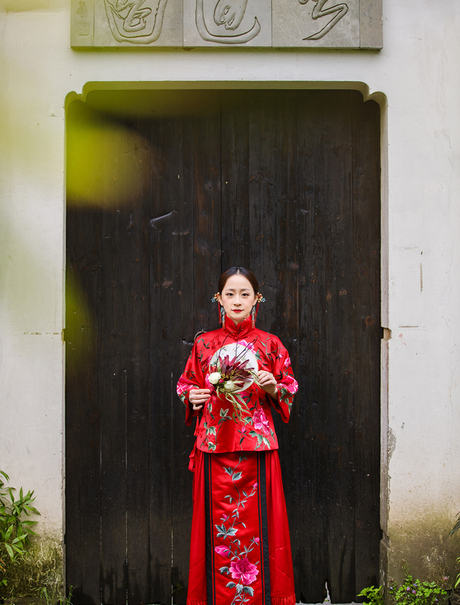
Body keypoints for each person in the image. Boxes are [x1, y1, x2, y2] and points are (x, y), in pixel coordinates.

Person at [177, 267, 298, 605]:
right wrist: (192, 396)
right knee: (213, 529)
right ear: (219, 299)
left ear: (257, 299)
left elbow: (289, 386)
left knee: (262, 527)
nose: (237, 300)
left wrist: (274, 386)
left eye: (245, 294)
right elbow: (185, 383)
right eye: (230, 294)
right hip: (214, 447)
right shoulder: (204, 344)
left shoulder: (270, 345)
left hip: (257, 451)